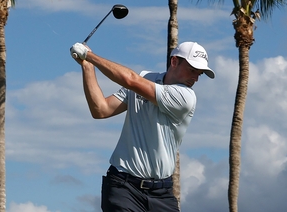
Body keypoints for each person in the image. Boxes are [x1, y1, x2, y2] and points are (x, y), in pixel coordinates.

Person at [70, 40, 215, 212]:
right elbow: (101, 109)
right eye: (192, 70)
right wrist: (87, 66)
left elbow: (131, 80)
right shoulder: (146, 79)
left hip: (162, 193)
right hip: (123, 187)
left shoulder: (186, 97)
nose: (196, 78)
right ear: (174, 61)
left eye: (200, 74)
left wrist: (89, 55)